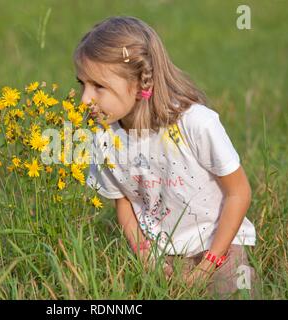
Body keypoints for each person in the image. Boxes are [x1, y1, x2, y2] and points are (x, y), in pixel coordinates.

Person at [74, 16, 258, 299]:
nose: (85, 100)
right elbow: (123, 201)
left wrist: (208, 265)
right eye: (82, 84)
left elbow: (239, 192)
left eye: (98, 86)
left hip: (217, 243)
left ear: (140, 83)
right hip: (159, 252)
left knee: (233, 290)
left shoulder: (196, 124)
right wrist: (144, 255)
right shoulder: (102, 138)